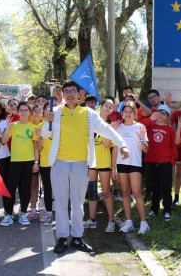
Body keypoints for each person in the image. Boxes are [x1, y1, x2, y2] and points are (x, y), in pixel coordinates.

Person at [42, 80, 129, 254]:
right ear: (63, 94)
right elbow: (45, 134)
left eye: (72, 91)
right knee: (59, 202)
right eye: (66, 91)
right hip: (59, 163)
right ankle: (61, 237)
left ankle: (76, 238)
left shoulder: (89, 114)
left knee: (78, 202)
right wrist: (47, 121)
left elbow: (107, 130)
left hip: (81, 164)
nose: (69, 94)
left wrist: (122, 144)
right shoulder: (56, 111)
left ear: (80, 94)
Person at [0, 102, 39, 227]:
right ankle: (9, 214)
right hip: (15, 161)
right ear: (18, 111)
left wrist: (36, 162)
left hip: (28, 161)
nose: (23, 112)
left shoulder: (33, 127)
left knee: (25, 188)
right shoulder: (13, 126)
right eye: (21, 110)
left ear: (29, 112)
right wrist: (8, 127)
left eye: (25, 110)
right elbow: (4, 140)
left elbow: (36, 147)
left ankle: (23, 213)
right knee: (11, 188)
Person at [113, 101, 149, 235]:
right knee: (125, 193)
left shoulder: (140, 127)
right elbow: (115, 149)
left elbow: (146, 150)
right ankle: (128, 222)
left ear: (135, 114)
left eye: (131, 112)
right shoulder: (119, 128)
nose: (128, 114)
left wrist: (142, 139)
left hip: (135, 163)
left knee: (137, 192)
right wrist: (113, 168)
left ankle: (144, 223)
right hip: (122, 164)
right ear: (122, 113)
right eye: (125, 111)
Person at [83, 97, 117, 232]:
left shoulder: (111, 124)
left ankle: (111, 220)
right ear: (100, 106)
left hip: (104, 162)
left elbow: (107, 144)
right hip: (91, 161)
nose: (108, 109)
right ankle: (92, 220)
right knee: (92, 191)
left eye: (111, 107)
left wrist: (110, 131)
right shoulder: (91, 121)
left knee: (106, 191)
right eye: (106, 106)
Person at [142, 105, 178, 221]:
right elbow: (141, 128)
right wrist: (151, 119)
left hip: (165, 162)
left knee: (166, 187)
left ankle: (167, 210)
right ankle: (154, 208)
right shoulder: (150, 126)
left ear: (168, 117)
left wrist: (172, 160)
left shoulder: (169, 129)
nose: (161, 115)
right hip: (151, 160)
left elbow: (174, 146)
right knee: (154, 186)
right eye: (159, 112)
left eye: (164, 113)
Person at [34, 102, 54, 225]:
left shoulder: (60, 125)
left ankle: (63, 213)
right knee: (47, 189)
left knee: (61, 190)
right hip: (46, 163)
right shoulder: (40, 127)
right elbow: (39, 148)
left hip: (59, 162)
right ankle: (49, 212)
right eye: (47, 109)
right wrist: (41, 136)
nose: (50, 112)